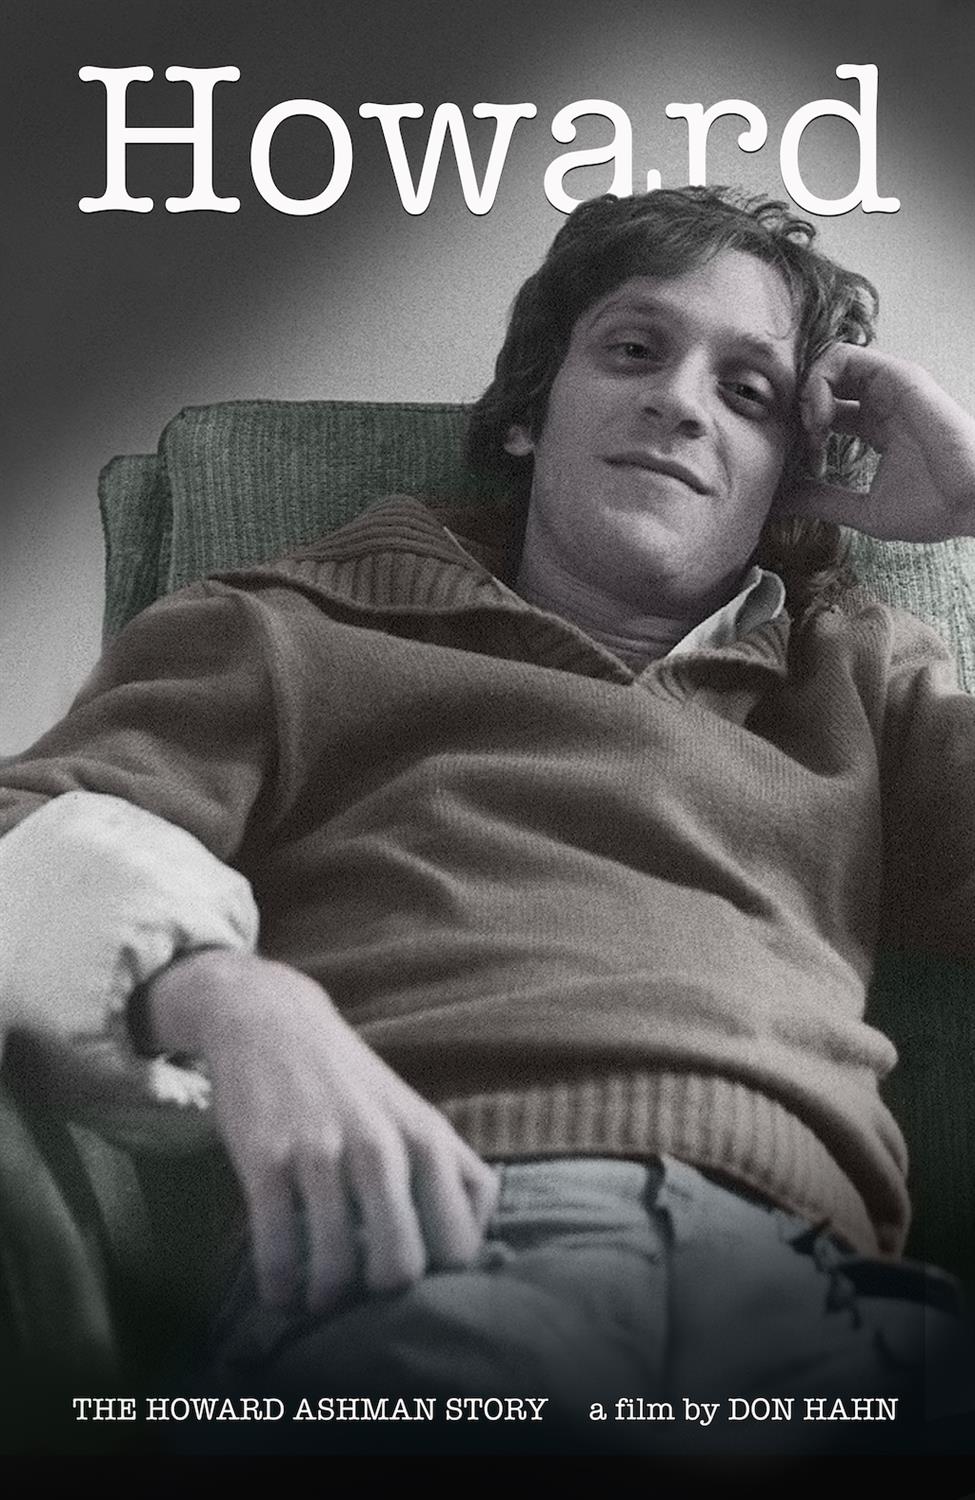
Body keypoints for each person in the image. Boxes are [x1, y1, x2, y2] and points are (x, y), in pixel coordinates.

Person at [2, 187, 975, 1457]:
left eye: (749, 393)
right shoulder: (289, 630)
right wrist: (226, 997)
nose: (682, 402)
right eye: (634, 348)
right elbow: (27, 839)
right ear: (528, 412)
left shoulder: (859, 675)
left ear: (787, 477)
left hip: (844, 1315)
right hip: (447, 1248)